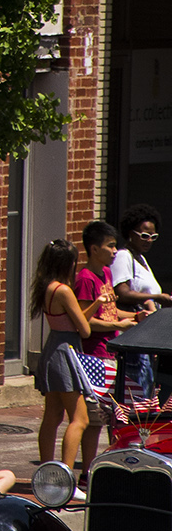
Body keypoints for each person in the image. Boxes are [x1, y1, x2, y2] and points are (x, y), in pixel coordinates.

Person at [32, 239, 105, 490]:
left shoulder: (47, 287)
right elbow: (84, 330)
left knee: (52, 416)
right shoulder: (64, 290)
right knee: (80, 419)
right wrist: (96, 306)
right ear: (68, 263)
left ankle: (46, 474)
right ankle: (65, 480)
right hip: (66, 353)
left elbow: (72, 320)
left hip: (52, 349)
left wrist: (96, 303)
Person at [75, 223, 130, 483]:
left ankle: (111, 467)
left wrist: (136, 318)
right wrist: (119, 325)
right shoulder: (85, 279)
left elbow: (110, 312)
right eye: (110, 246)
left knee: (114, 415)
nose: (115, 251)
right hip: (94, 356)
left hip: (111, 352)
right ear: (94, 249)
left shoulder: (106, 273)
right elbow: (86, 321)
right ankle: (87, 473)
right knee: (95, 418)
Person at [109, 206, 166, 400]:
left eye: (153, 236)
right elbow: (122, 293)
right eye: (144, 235)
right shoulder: (123, 256)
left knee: (146, 389)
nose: (148, 240)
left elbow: (147, 295)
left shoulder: (141, 259)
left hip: (146, 335)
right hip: (133, 335)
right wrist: (158, 297)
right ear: (130, 233)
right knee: (136, 393)